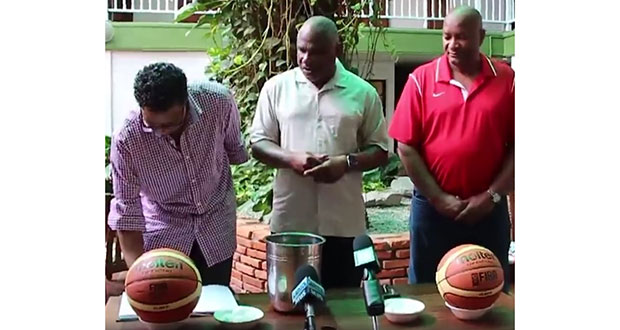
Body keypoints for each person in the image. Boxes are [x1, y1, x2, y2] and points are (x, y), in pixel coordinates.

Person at [250, 16, 389, 289]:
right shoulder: (276, 88)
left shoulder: (363, 93)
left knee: (343, 308)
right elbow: (259, 144)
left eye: (316, 52)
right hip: (291, 223)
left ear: (336, 49)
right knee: (289, 306)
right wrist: (292, 159)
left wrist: (345, 163)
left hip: (344, 226)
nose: (306, 59)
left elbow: (381, 150)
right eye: (301, 50)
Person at [388, 7, 514, 291]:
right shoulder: (420, 80)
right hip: (432, 210)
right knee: (425, 289)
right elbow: (405, 146)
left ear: (481, 36)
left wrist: (492, 195)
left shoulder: (507, 80)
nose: (452, 45)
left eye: (462, 37)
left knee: (491, 288)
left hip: (488, 209)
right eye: (447, 37)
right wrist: (438, 198)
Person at [108, 62, 248, 285]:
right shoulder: (127, 140)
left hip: (217, 228)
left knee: (215, 308)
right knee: (167, 312)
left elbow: (234, 150)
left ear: (185, 103)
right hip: (163, 234)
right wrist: (139, 274)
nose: (161, 132)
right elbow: (127, 213)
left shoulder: (218, 102)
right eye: (152, 126)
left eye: (170, 124)